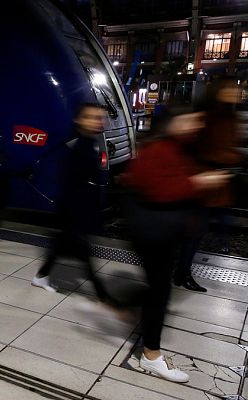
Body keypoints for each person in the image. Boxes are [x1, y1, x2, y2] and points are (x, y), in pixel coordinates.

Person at [124, 106, 231, 383]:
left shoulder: (179, 148)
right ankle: (150, 356)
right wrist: (198, 182)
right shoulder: (157, 150)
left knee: (158, 290)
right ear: (172, 123)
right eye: (189, 120)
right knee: (159, 292)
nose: (195, 125)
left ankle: (145, 341)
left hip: (163, 234)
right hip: (153, 235)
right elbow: (158, 190)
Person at [31, 103, 115, 305]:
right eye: (92, 117)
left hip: (76, 210)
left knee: (61, 247)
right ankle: (102, 295)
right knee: (84, 254)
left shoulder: (89, 142)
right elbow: (69, 182)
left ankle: (41, 276)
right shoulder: (76, 146)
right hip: (73, 210)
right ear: (79, 120)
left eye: (100, 117)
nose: (98, 121)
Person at [174, 77, 247, 291]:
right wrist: (235, 159)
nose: (237, 92)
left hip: (218, 186)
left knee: (205, 230)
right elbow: (205, 150)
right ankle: (182, 273)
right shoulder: (210, 117)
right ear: (218, 91)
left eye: (238, 89)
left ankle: (182, 271)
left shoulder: (230, 116)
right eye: (231, 88)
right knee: (195, 232)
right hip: (204, 185)